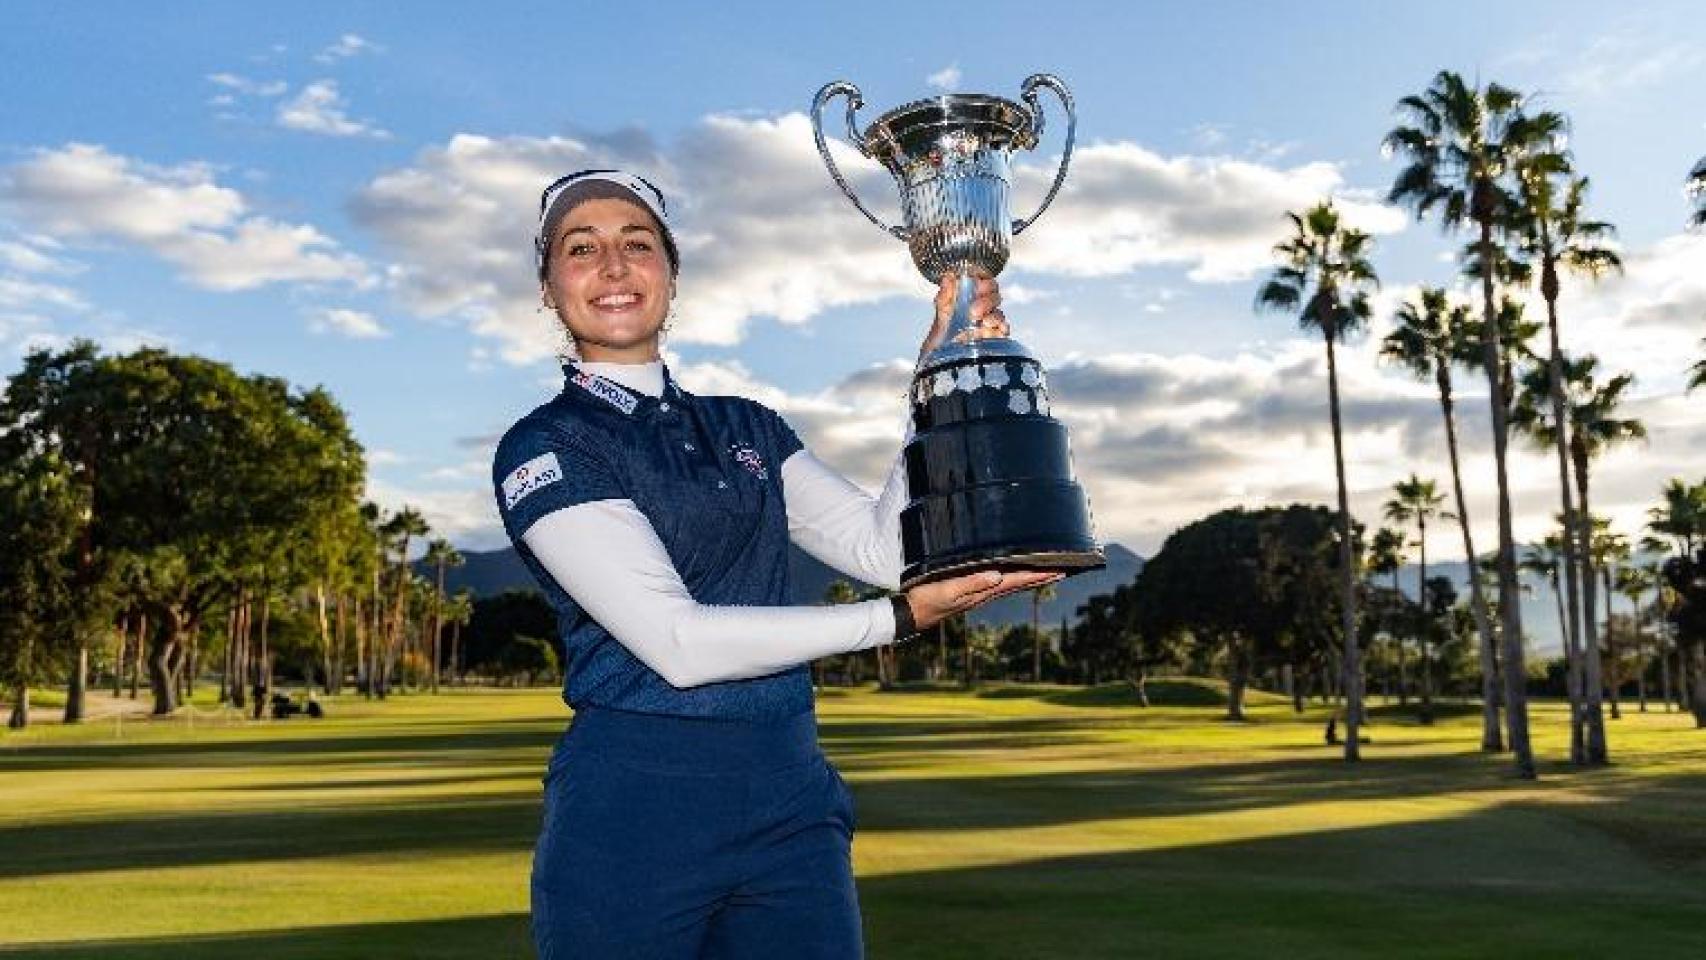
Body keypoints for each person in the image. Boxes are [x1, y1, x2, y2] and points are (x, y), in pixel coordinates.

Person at [493, 169, 1060, 959]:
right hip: (636, 804)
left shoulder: (746, 426)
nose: (614, 267)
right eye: (580, 249)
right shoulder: (549, 445)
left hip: (789, 790)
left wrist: (932, 387)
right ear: (549, 287)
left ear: (672, 272)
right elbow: (677, 643)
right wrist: (897, 620)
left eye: (638, 244)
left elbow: (884, 549)